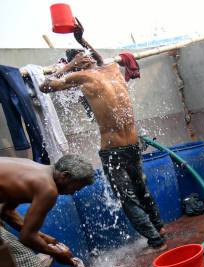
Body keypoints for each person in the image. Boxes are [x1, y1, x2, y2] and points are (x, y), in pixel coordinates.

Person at [39, 25, 167, 252]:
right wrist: (82, 40)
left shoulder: (82, 76)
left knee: (127, 198)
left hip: (113, 149)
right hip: (133, 144)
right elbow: (98, 58)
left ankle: (156, 240)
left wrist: (67, 67)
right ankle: (159, 227)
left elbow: (45, 86)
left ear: (78, 63)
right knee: (142, 189)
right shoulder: (111, 69)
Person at [0, 155, 94, 267]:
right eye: (76, 187)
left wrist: (43, 238)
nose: (74, 192)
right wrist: (58, 255)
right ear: (65, 176)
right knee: (25, 257)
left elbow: (7, 212)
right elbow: (27, 238)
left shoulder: (36, 170)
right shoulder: (48, 188)